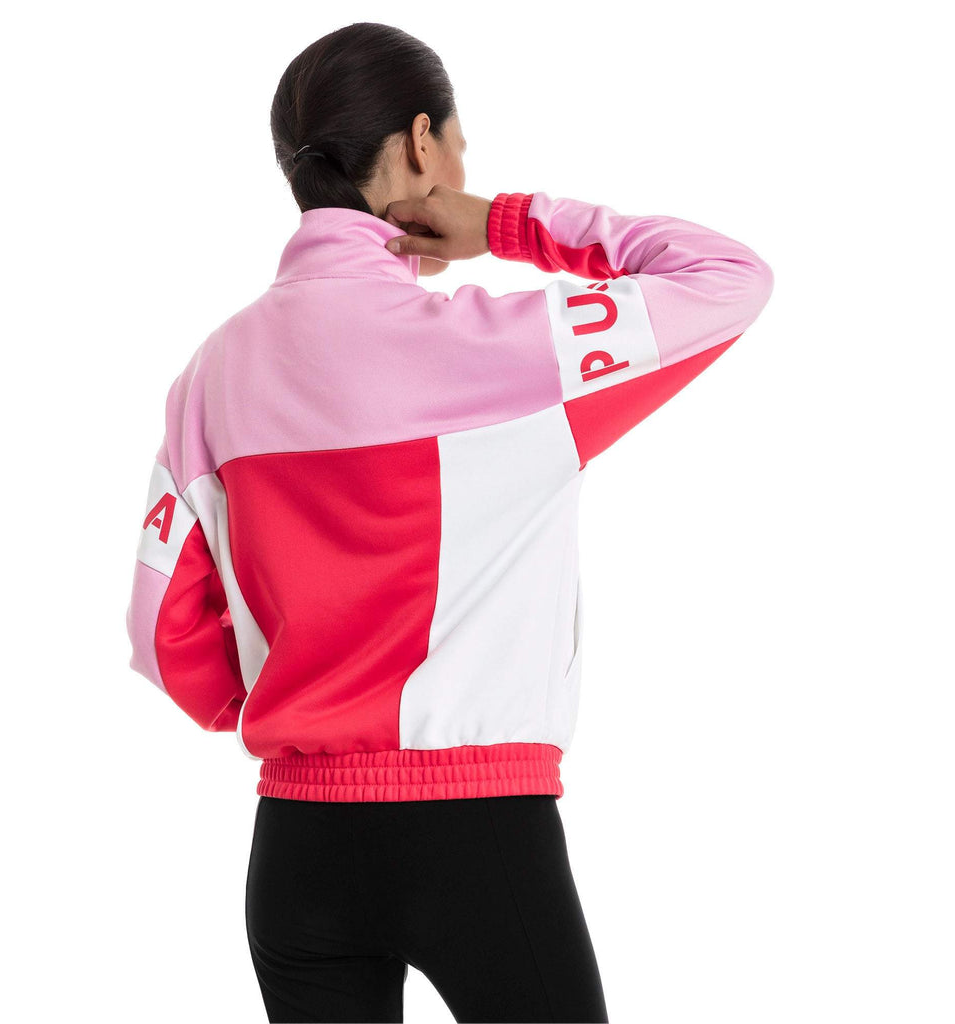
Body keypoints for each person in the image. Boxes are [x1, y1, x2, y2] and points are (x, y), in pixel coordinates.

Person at [125, 21, 774, 1024]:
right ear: (422, 144)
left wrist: (295, 707)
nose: (464, 171)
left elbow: (162, 633)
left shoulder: (211, 374)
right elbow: (729, 278)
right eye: (461, 147)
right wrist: (505, 225)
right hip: (482, 838)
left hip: (298, 851)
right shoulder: (511, 353)